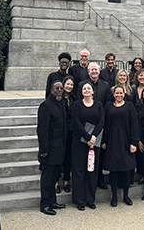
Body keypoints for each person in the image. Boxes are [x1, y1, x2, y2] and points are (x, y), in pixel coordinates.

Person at [102, 85, 139, 207]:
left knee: (126, 170)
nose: (118, 95)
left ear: (124, 94)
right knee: (114, 170)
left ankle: (126, 195)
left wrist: (134, 142)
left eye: (120, 93)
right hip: (112, 142)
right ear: (113, 95)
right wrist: (103, 141)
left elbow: (134, 125)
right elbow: (105, 125)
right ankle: (114, 197)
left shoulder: (129, 106)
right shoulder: (108, 106)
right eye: (116, 93)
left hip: (126, 141)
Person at [71, 81, 104, 210]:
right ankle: (80, 200)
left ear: (93, 91)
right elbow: (77, 122)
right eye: (84, 88)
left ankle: (90, 199)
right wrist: (88, 137)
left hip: (94, 143)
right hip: (79, 142)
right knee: (79, 171)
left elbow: (101, 121)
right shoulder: (77, 105)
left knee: (92, 171)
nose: (86, 90)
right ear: (81, 91)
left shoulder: (99, 105)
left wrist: (94, 137)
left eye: (88, 88)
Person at [77, 62, 111, 189]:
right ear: (88, 72)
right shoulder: (82, 85)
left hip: (99, 125)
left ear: (99, 71)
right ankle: (86, 181)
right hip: (85, 127)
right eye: (92, 70)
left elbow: (107, 104)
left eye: (96, 70)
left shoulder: (105, 85)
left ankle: (99, 179)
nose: (94, 72)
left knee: (99, 155)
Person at [37, 80, 67, 215]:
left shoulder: (61, 103)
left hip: (59, 149)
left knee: (55, 178)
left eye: (61, 88)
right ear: (51, 90)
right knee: (47, 179)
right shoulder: (45, 106)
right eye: (57, 88)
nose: (60, 90)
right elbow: (42, 130)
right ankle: (45, 204)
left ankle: (52, 201)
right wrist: (44, 150)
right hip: (49, 150)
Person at [61, 75, 76, 193]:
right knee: (58, 157)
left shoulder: (74, 99)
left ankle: (66, 180)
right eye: (67, 84)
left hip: (71, 132)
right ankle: (56, 182)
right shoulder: (58, 98)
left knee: (68, 157)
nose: (69, 86)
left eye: (71, 85)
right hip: (60, 133)